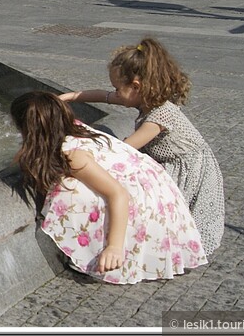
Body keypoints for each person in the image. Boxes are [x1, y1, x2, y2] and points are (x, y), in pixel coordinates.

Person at [10, 90, 208, 284]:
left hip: (142, 205)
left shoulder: (72, 154)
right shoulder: (76, 128)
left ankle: (101, 251)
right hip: (158, 195)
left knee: (67, 190)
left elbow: (118, 194)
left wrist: (114, 246)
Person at [58, 37, 224, 256]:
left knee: (166, 210)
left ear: (136, 86)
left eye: (117, 88)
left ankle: (164, 247)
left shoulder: (160, 116)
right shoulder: (142, 97)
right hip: (167, 160)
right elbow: (101, 96)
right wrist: (68, 97)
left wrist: (88, 154)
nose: (114, 93)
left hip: (187, 167)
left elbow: (126, 148)